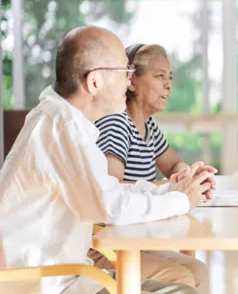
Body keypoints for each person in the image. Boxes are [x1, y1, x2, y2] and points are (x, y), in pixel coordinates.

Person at [0, 26, 213, 294]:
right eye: (124, 72)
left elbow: (107, 191)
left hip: (67, 274)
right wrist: (182, 200)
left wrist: (171, 189)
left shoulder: (64, 121)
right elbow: (111, 208)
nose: (128, 82)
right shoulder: (64, 128)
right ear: (95, 81)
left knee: (190, 279)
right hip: (48, 283)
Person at [90, 43, 214, 293]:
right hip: (108, 243)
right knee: (181, 279)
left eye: (170, 78)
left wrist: (188, 175)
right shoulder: (116, 124)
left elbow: (171, 164)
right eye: (159, 76)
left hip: (133, 235)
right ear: (132, 81)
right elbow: (112, 190)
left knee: (199, 271)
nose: (168, 85)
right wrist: (173, 189)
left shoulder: (148, 126)